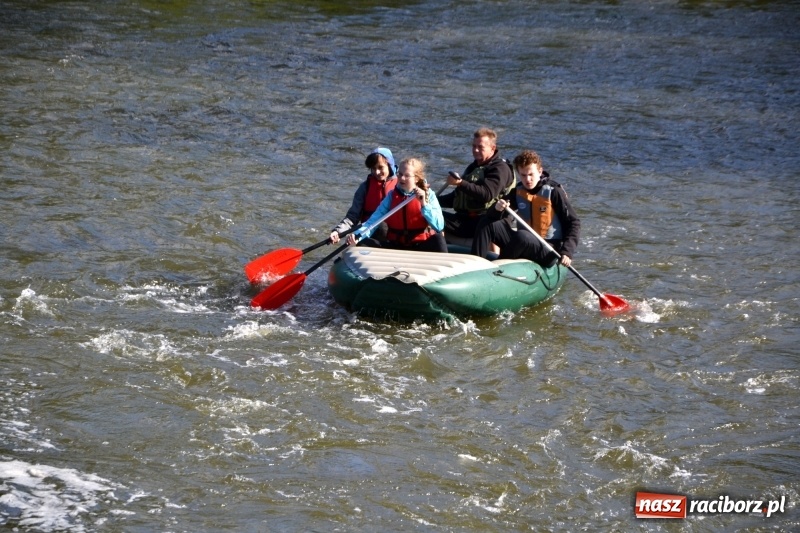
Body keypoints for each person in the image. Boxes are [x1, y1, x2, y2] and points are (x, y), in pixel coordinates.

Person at [471, 149, 580, 267]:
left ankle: (497, 270)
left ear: (540, 171)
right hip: (523, 241)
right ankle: (476, 264)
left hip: (548, 248)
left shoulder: (554, 192)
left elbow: (574, 222)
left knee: (522, 236)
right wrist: (497, 208)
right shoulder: (518, 191)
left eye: (531, 174)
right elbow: (493, 216)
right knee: (487, 222)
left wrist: (567, 251)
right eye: (523, 175)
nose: (527, 180)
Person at [346, 158, 447, 253]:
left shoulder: (429, 195)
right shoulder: (391, 196)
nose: (402, 178)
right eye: (400, 174)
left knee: (439, 239)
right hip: (396, 246)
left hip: (420, 245)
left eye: (407, 175)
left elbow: (439, 226)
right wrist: (357, 236)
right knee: (361, 242)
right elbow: (372, 222)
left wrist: (424, 204)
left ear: (416, 178)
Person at [438, 127, 516, 243]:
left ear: (492, 148)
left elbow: (487, 194)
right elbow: (457, 197)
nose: (476, 150)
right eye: (474, 146)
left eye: (480, 147)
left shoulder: (500, 169)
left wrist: (461, 183)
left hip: (482, 221)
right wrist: (430, 199)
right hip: (465, 219)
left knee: (432, 216)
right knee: (428, 210)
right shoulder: (473, 167)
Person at [329, 147, 398, 244]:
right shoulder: (365, 187)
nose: (377, 172)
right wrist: (338, 232)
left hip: (395, 239)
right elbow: (352, 217)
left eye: (380, 167)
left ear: (390, 165)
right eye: (374, 168)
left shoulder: (401, 185)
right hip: (370, 236)